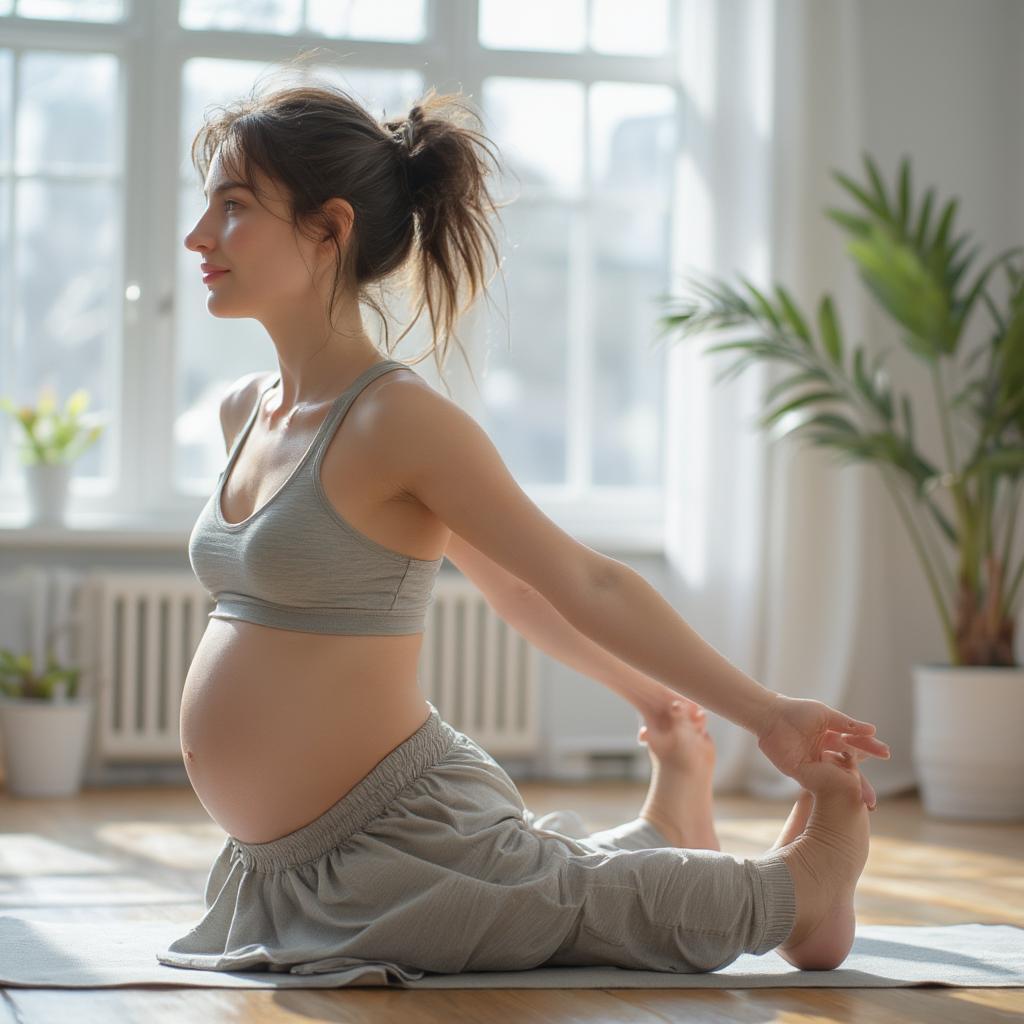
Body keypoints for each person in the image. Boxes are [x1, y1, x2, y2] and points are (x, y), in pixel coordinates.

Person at [159, 60, 891, 980]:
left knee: (567, 900)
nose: (198, 234)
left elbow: (574, 579)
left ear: (329, 229)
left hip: (402, 824)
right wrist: (648, 701)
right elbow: (506, 588)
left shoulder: (398, 421)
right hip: (290, 866)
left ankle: (813, 874)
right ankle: (674, 816)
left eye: (233, 205)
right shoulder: (243, 410)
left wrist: (768, 714)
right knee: (537, 889)